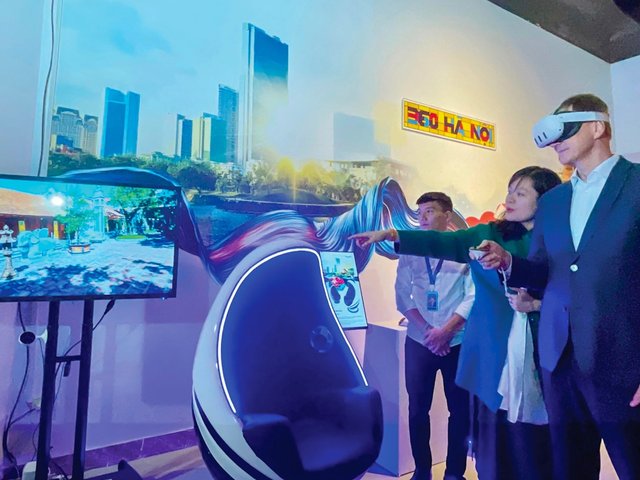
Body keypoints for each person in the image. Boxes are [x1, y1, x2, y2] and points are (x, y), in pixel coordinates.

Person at [351, 166, 561, 479]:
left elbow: (571, 291)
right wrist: (392, 235)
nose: (509, 199)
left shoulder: (559, 239)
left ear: (544, 200)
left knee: (534, 436)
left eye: (520, 193)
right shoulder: (491, 233)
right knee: (492, 431)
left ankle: (456, 472)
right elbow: (443, 247)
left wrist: (536, 303)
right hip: (492, 349)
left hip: (539, 348)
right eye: (509, 191)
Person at [477, 94, 640, 480]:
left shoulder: (636, 184)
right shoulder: (552, 201)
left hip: (623, 364)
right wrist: (508, 262)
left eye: (565, 129)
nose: (555, 141)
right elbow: (542, 271)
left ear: (597, 127)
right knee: (569, 469)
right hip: (559, 362)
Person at [395, 192, 475, 480]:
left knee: (460, 411)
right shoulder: (411, 249)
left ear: (447, 215)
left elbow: (473, 295)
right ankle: (422, 470)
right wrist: (429, 331)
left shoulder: (465, 249)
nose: (423, 218)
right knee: (418, 409)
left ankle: (454, 472)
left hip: (457, 341)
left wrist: (447, 330)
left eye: (429, 211)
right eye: (419, 213)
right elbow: (402, 295)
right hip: (420, 341)